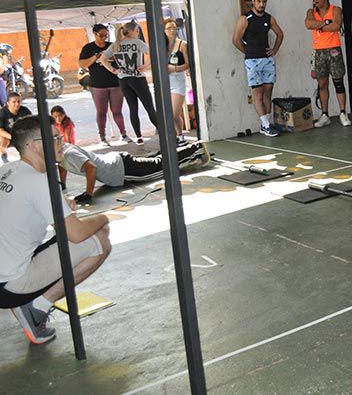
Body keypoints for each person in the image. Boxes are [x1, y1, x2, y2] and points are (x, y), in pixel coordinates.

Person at [0, 115, 111, 344]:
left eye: (60, 136)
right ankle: (36, 307)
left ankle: (29, 303)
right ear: (32, 145)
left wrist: (61, 205)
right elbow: (76, 234)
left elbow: (20, 209)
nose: (61, 142)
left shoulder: (8, 170)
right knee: (100, 239)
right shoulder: (40, 182)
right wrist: (103, 217)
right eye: (53, 138)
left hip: (5, 276)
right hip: (10, 286)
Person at [59, 140, 210, 204]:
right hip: (117, 162)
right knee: (155, 161)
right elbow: (62, 166)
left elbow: (91, 168)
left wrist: (88, 194)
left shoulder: (69, 153)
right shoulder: (60, 151)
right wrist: (62, 183)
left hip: (120, 169)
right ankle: (184, 148)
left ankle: (196, 148)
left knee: (161, 167)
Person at [232, 0, 284, 137]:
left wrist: (274, 50)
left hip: (267, 60)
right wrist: (248, 52)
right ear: (253, 2)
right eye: (259, 1)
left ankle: (265, 124)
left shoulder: (269, 18)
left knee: (268, 91)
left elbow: (280, 34)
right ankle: (267, 125)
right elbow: (235, 40)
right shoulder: (245, 19)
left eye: (264, 2)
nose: (262, 4)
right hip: (252, 61)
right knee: (258, 94)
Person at [98, 22, 158, 145]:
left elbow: (103, 59)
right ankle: (163, 131)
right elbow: (153, 53)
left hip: (123, 79)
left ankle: (139, 137)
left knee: (133, 108)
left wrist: (113, 70)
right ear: (131, 31)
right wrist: (145, 66)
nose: (138, 33)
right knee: (149, 107)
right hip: (137, 78)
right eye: (137, 31)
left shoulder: (116, 45)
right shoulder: (137, 43)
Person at [304, 0, 352, 128]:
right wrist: (325, 23)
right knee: (322, 84)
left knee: (338, 82)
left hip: (333, 49)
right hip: (318, 51)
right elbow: (308, 24)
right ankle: (325, 115)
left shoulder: (335, 9)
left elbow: (336, 25)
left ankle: (343, 113)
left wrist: (318, 25)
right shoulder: (311, 12)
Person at [78, 24, 129, 145]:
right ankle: (102, 137)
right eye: (101, 35)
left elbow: (122, 60)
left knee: (117, 111)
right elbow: (82, 64)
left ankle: (123, 134)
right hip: (98, 85)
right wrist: (96, 56)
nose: (104, 38)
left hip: (115, 83)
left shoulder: (112, 46)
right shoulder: (88, 48)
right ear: (94, 34)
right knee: (101, 111)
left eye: (106, 35)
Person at [165, 19, 191, 144]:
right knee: (168, 113)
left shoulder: (182, 44)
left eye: (174, 28)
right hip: (165, 81)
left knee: (174, 113)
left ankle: (180, 135)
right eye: (169, 28)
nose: (172, 30)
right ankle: (176, 136)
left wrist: (174, 68)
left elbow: (188, 64)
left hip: (177, 81)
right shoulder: (161, 45)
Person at [0, 92, 32, 163]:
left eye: (18, 101)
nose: (17, 104)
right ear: (8, 103)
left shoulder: (25, 111)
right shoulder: (2, 113)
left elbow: (31, 125)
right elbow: (0, 131)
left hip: (22, 134)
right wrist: (12, 137)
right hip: (8, 135)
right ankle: (4, 157)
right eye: (14, 102)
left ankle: (27, 158)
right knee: (2, 140)